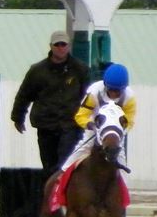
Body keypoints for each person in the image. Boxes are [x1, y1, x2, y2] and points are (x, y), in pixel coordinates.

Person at [10, 30, 91, 173]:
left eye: (63, 44)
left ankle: (63, 194)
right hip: (46, 126)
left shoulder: (81, 70)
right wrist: (18, 118)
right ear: (51, 46)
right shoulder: (37, 70)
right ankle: (51, 194)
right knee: (49, 167)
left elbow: (89, 97)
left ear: (69, 46)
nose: (61, 48)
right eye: (57, 44)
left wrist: (90, 120)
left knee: (65, 165)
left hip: (71, 125)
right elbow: (24, 94)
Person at [60, 63, 136, 172]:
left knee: (120, 155)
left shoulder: (130, 98)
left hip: (116, 132)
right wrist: (91, 125)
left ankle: (124, 186)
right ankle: (62, 175)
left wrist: (117, 132)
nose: (113, 94)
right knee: (83, 148)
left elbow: (129, 122)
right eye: (110, 89)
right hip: (95, 127)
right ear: (105, 85)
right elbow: (81, 115)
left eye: (117, 91)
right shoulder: (94, 91)